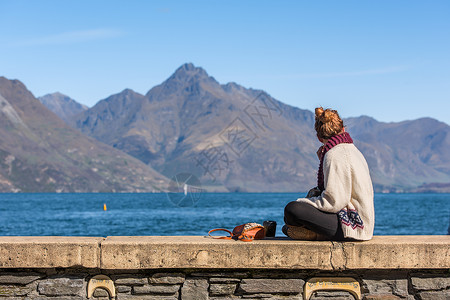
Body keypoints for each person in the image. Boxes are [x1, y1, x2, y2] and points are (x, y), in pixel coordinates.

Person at [283, 107, 374, 241]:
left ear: (319, 138)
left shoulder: (334, 154)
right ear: (343, 129)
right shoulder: (353, 150)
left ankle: (315, 234)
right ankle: (313, 232)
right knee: (293, 216)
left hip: (352, 225)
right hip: (364, 223)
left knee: (292, 209)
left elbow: (334, 202)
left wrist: (305, 202)